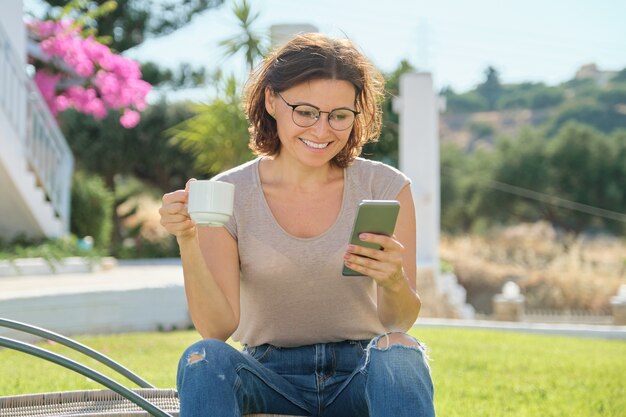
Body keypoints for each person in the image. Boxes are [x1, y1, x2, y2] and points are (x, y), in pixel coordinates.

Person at [159, 33, 435, 417]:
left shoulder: (385, 186)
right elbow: (216, 329)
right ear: (272, 100)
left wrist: (392, 281)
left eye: (339, 116)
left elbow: (398, 322)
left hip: (361, 371)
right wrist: (187, 239)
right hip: (268, 375)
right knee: (203, 357)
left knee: (401, 354)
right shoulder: (228, 193)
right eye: (306, 112)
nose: (322, 131)